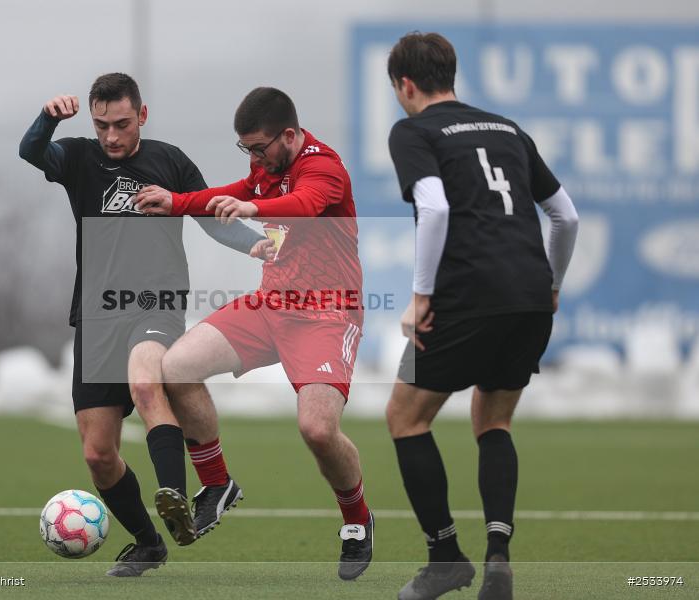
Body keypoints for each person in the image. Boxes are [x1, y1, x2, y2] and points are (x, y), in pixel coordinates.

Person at [19, 73, 271, 576]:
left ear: (142, 115)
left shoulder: (170, 161)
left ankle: (175, 498)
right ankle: (149, 543)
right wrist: (48, 118)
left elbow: (212, 220)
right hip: (96, 317)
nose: (111, 136)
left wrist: (261, 244)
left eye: (122, 124)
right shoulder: (78, 157)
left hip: (156, 304)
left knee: (145, 382)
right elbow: (31, 151)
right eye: (102, 125)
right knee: (98, 455)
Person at [134, 87, 374, 581]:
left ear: (288, 135)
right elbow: (233, 193)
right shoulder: (267, 166)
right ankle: (217, 483)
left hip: (328, 316)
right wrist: (176, 201)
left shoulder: (323, 167)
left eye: (259, 148)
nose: (254, 158)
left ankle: (356, 520)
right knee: (176, 367)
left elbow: (303, 204)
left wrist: (254, 211)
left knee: (318, 430)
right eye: (246, 148)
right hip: (270, 305)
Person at [384, 33, 579, 600]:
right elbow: (565, 217)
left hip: (467, 296)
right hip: (528, 296)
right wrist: (552, 284)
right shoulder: (507, 128)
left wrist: (421, 295)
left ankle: (445, 557)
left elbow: (435, 206)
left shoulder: (413, 131)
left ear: (405, 84)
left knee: (405, 418)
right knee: (493, 423)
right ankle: (498, 557)